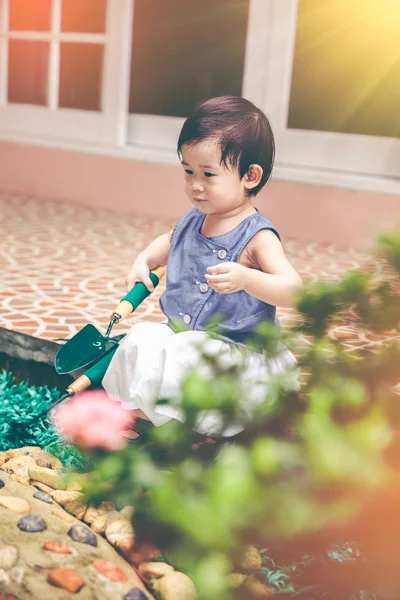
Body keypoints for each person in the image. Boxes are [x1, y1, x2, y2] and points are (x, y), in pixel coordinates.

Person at [102, 96, 303, 438]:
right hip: (184, 335)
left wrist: (248, 278)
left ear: (249, 176)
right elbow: (170, 240)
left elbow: (295, 290)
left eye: (208, 174)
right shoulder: (196, 218)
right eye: (188, 172)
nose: (195, 185)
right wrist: (144, 261)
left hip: (234, 349)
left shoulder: (257, 236)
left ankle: (201, 432)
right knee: (140, 340)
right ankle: (139, 418)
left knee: (191, 359)